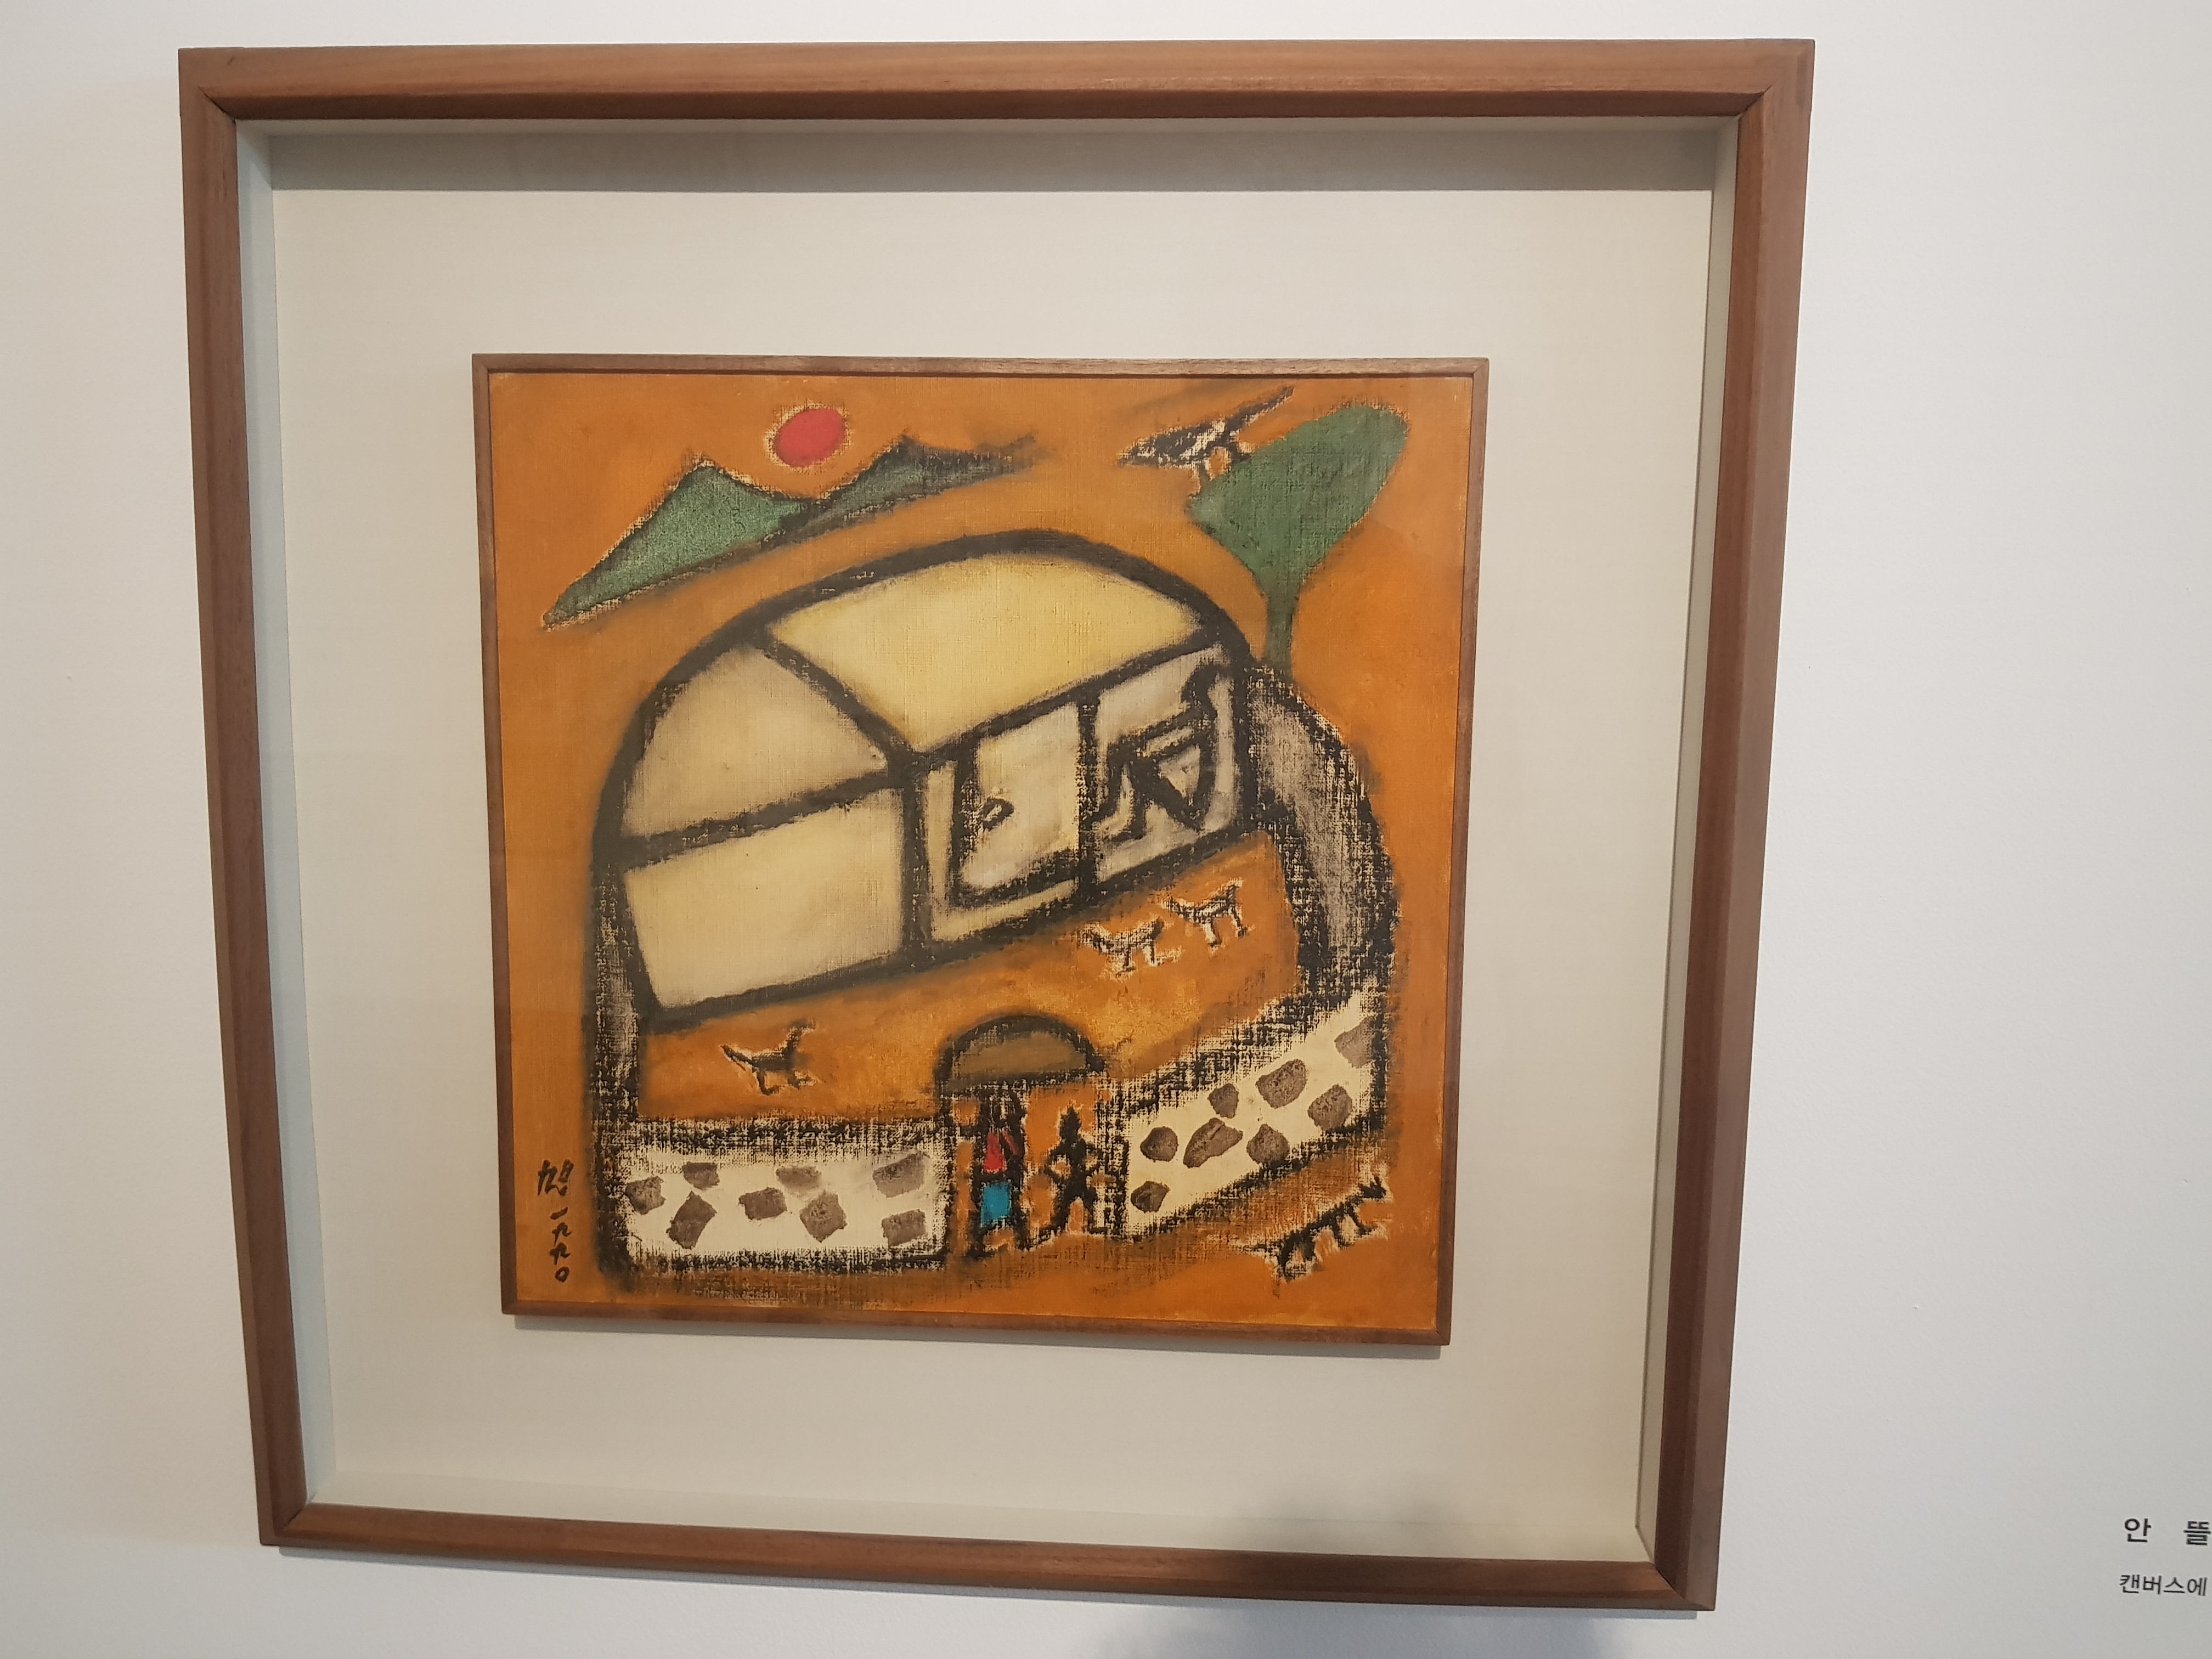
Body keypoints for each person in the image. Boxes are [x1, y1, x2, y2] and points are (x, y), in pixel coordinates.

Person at [1040, 1108, 1101, 1241]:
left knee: (1087, 1202)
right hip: (1072, 1181)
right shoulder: (1066, 1145)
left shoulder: (1081, 1143)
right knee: (1062, 1205)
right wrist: (1056, 1177)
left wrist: (1090, 1170)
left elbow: (1097, 1155)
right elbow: (1048, 1161)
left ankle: (1091, 1224)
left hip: (1079, 1180)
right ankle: (1060, 1227)